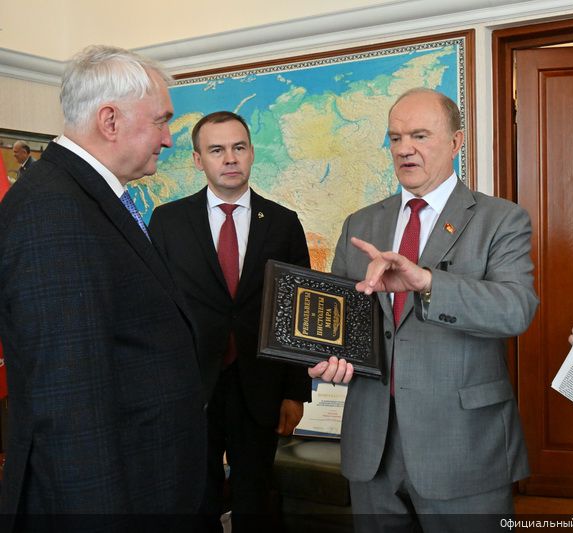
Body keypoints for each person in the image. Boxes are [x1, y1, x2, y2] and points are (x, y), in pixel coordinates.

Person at [308, 87, 538, 532]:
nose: (404, 149)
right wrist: (325, 357)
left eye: (419, 135)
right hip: (372, 445)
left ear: (455, 142)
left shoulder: (500, 219)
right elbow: (343, 323)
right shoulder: (361, 223)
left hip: (462, 446)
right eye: (395, 138)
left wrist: (428, 283)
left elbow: (515, 310)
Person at [0, 45, 206, 526]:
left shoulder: (86, 197)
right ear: (110, 121)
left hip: (147, 483)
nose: (169, 138)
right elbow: (68, 404)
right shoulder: (53, 211)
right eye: (161, 121)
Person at [149, 111, 312, 532]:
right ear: (198, 159)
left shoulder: (283, 223)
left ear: (252, 153)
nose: (230, 158)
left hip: (260, 386)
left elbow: (298, 315)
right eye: (217, 150)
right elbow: (156, 312)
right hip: (190, 388)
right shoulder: (168, 221)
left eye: (238, 147)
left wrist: (295, 393)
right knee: (194, 499)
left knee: (254, 500)